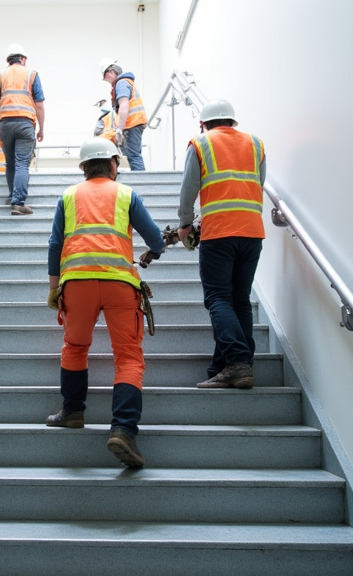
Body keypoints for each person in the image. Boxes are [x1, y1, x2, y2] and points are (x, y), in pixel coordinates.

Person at [45, 137, 165, 468]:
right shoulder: (126, 194)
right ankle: (124, 430)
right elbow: (154, 236)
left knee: (75, 347)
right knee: (127, 356)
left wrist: (54, 289)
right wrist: (156, 249)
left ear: (83, 167)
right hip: (119, 284)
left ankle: (72, 411)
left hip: (77, 284)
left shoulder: (68, 196)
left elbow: (55, 245)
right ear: (114, 164)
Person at [176, 99, 266, 389]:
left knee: (217, 298)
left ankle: (238, 362)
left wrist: (185, 223)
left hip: (219, 233)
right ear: (232, 122)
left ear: (203, 123)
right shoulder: (256, 145)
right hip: (252, 232)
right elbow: (259, 183)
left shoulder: (200, 144)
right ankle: (227, 365)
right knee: (239, 299)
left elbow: (188, 189)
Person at [0, 43, 45, 215]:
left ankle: (13, 195)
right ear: (23, 58)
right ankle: (18, 202)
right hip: (25, 123)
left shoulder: (0, 75)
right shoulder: (32, 74)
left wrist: (7, 108)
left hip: (5, 124)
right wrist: (41, 129)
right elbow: (40, 105)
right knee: (21, 163)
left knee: (10, 163)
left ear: (8, 60)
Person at [99, 58, 147, 171]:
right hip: (135, 123)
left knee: (134, 157)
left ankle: (141, 183)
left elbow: (124, 105)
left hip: (132, 124)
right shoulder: (125, 82)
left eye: (105, 77)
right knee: (133, 156)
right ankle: (140, 181)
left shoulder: (121, 83)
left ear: (111, 72)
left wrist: (119, 129)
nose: (106, 81)